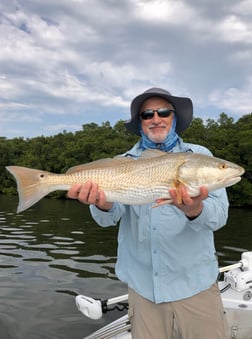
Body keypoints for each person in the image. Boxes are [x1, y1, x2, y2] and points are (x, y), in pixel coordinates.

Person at [68, 88, 229, 339]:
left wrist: (193, 208)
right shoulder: (122, 163)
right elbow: (107, 219)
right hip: (143, 290)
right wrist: (101, 204)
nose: (156, 118)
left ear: (174, 117)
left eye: (163, 112)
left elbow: (218, 217)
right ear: (140, 123)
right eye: (147, 114)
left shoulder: (199, 157)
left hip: (195, 286)